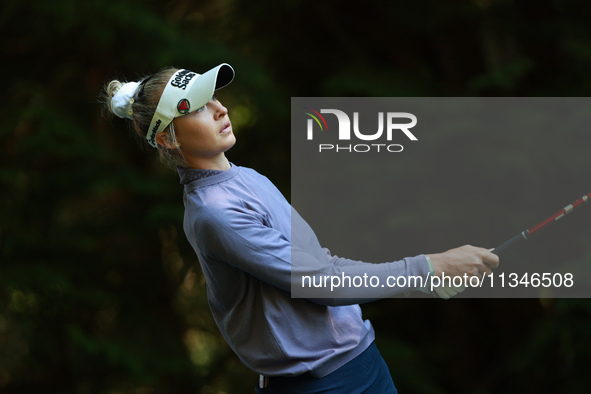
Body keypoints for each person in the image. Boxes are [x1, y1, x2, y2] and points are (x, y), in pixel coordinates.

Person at [104, 63, 500, 393]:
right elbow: (322, 284)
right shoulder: (215, 214)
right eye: (197, 108)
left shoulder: (246, 178)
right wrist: (428, 268)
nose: (220, 110)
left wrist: (431, 272)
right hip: (320, 386)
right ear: (166, 138)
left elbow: (323, 264)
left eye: (215, 98)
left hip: (361, 361)